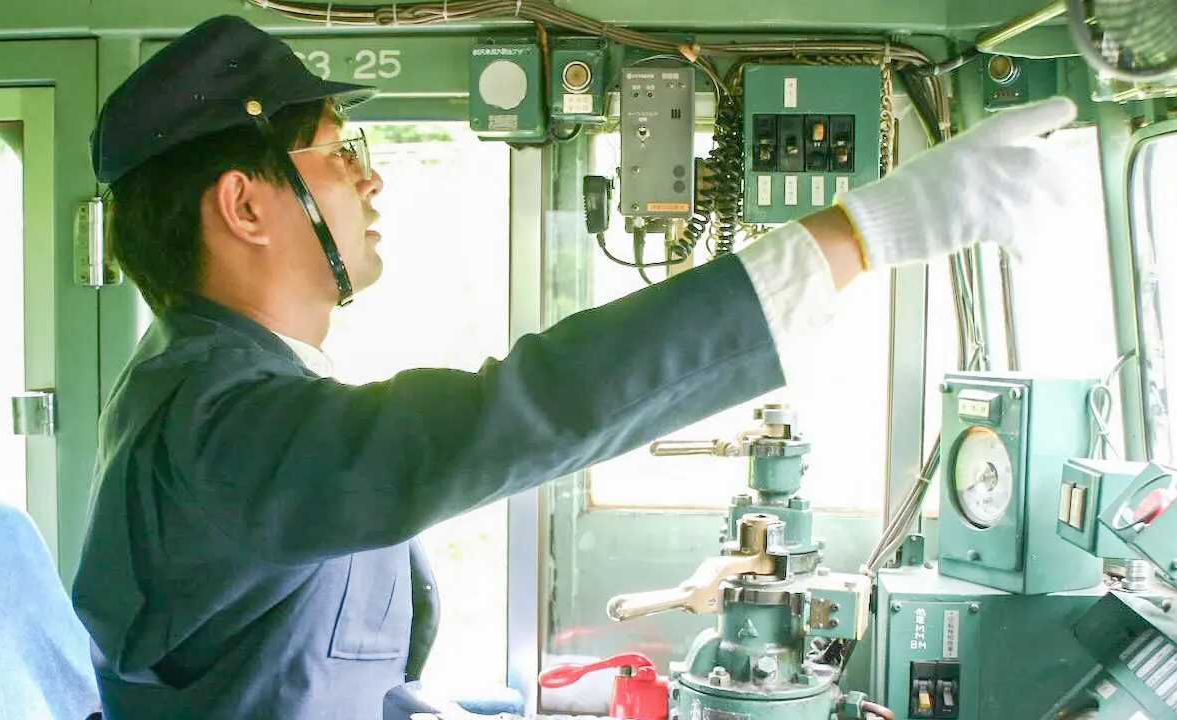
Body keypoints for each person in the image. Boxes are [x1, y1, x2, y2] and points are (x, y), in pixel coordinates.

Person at [71, 13, 1077, 720]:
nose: (370, 176)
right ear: (245, 206)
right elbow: (520, 411)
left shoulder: (232, 391)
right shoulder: (212, 423)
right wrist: (860, 233)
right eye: (341, 152)